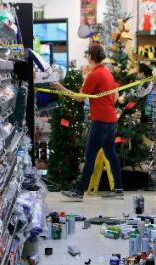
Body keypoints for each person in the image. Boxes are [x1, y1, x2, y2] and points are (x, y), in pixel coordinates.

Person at [52, 45, 124, 200]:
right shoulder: (107, 73)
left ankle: (78, 192)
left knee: (90, 156)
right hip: (111, 120)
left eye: (87, 55)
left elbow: (79, 98)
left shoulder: (95, 75)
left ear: (90, 56)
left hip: (101, 121)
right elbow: (115, 97)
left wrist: (59, 87)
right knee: (111, 154)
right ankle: (119, 189)